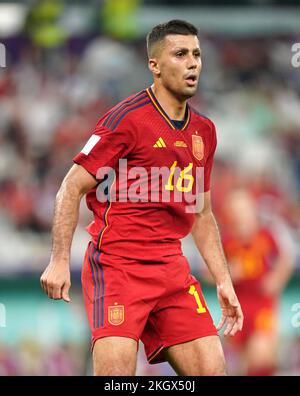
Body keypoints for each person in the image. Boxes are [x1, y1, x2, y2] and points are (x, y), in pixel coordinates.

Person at [40, 19, 243, 376]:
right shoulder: (126, 121)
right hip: (118, 266)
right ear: (155, 65)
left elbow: (202, 214)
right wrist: (58, 259)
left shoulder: (204, 132)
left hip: (172, 269)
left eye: (197, 54)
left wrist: (223, 280)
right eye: (180, 54)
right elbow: (71, 187)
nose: (193, 62)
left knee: (214, 371)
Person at [219, 189, 293, 375]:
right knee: (243, 361)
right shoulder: (227, 241)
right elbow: (209, 272)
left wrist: (276, 279)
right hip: (238, 308)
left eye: (244, 210)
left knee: (260, 353)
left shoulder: (266, 235)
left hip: (262, 305)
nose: (241, 216)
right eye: (236, 211)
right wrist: (227, 274)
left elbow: (287, 259)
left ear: (252, 211)